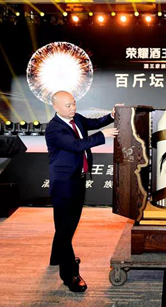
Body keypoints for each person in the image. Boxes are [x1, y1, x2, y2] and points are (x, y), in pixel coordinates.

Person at [45, 91, 119, 292]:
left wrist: (111, 116)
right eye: (68, 105)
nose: (73, 108)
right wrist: (102, 136)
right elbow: (76, 146)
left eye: (74, 103)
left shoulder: (76, 118)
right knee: (65, 229)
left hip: (77, 179)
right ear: (56, 107)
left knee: (66, 225)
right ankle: (70, 275)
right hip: (64, 184)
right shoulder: (54, 128)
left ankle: (56, 256)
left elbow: (93, 123)